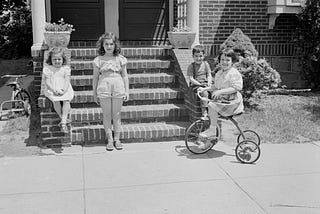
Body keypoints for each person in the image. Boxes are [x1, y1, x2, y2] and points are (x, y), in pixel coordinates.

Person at [198, 48, 244, 149]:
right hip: (223, 101)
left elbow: (237, 87)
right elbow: (215, 87)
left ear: (232, 61)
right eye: (222, 59)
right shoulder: (219, 73)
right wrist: (204, 88)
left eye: (228, 60)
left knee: (211, 106)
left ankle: (212, 131)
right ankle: (211, 138)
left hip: (232, 102)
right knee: (212, 116)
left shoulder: (233, 73)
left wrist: (221, 91)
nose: (225, 62)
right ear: (219, 60)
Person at [92, 32, 129, 151]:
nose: (109, 46)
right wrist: (94, 93)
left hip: (118, 86)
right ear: (102, 45)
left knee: (116, 115)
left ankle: (117, 138)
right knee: (107, 114)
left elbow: (125, 76)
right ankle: (109, 139)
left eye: (111, 44)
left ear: (115, 45)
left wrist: (127, 91)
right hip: (104, 87)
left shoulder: (120, 59)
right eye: (106, 44)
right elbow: (95, 77)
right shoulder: (98, 60)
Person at [43, 47, 74, 133]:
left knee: (66, 101)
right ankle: (63, 120)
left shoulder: (65, 69)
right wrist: (53, 90)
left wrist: (64, 90)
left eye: (59, 59)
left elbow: (67, 81)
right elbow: (47, 82)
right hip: (52, 88)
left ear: (63, 59)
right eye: (54, 59)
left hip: (64, 87)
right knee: (56, 101)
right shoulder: (48, 69)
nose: (57, 61)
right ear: (51, 60)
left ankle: (63, 122)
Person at [187, 45, 212, 120]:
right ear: (193, 56)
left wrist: (209, 83)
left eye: (200, 56)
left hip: (205, 83)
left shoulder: (206, 64)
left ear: (204, 56)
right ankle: (204, 113)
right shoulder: (191, 66)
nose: (198, 58)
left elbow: (209, 75)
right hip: (196, 85)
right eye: (196, 56)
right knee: (204, 93)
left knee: (215, 91)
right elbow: (191, 79)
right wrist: (199, 84)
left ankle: (215, 110)